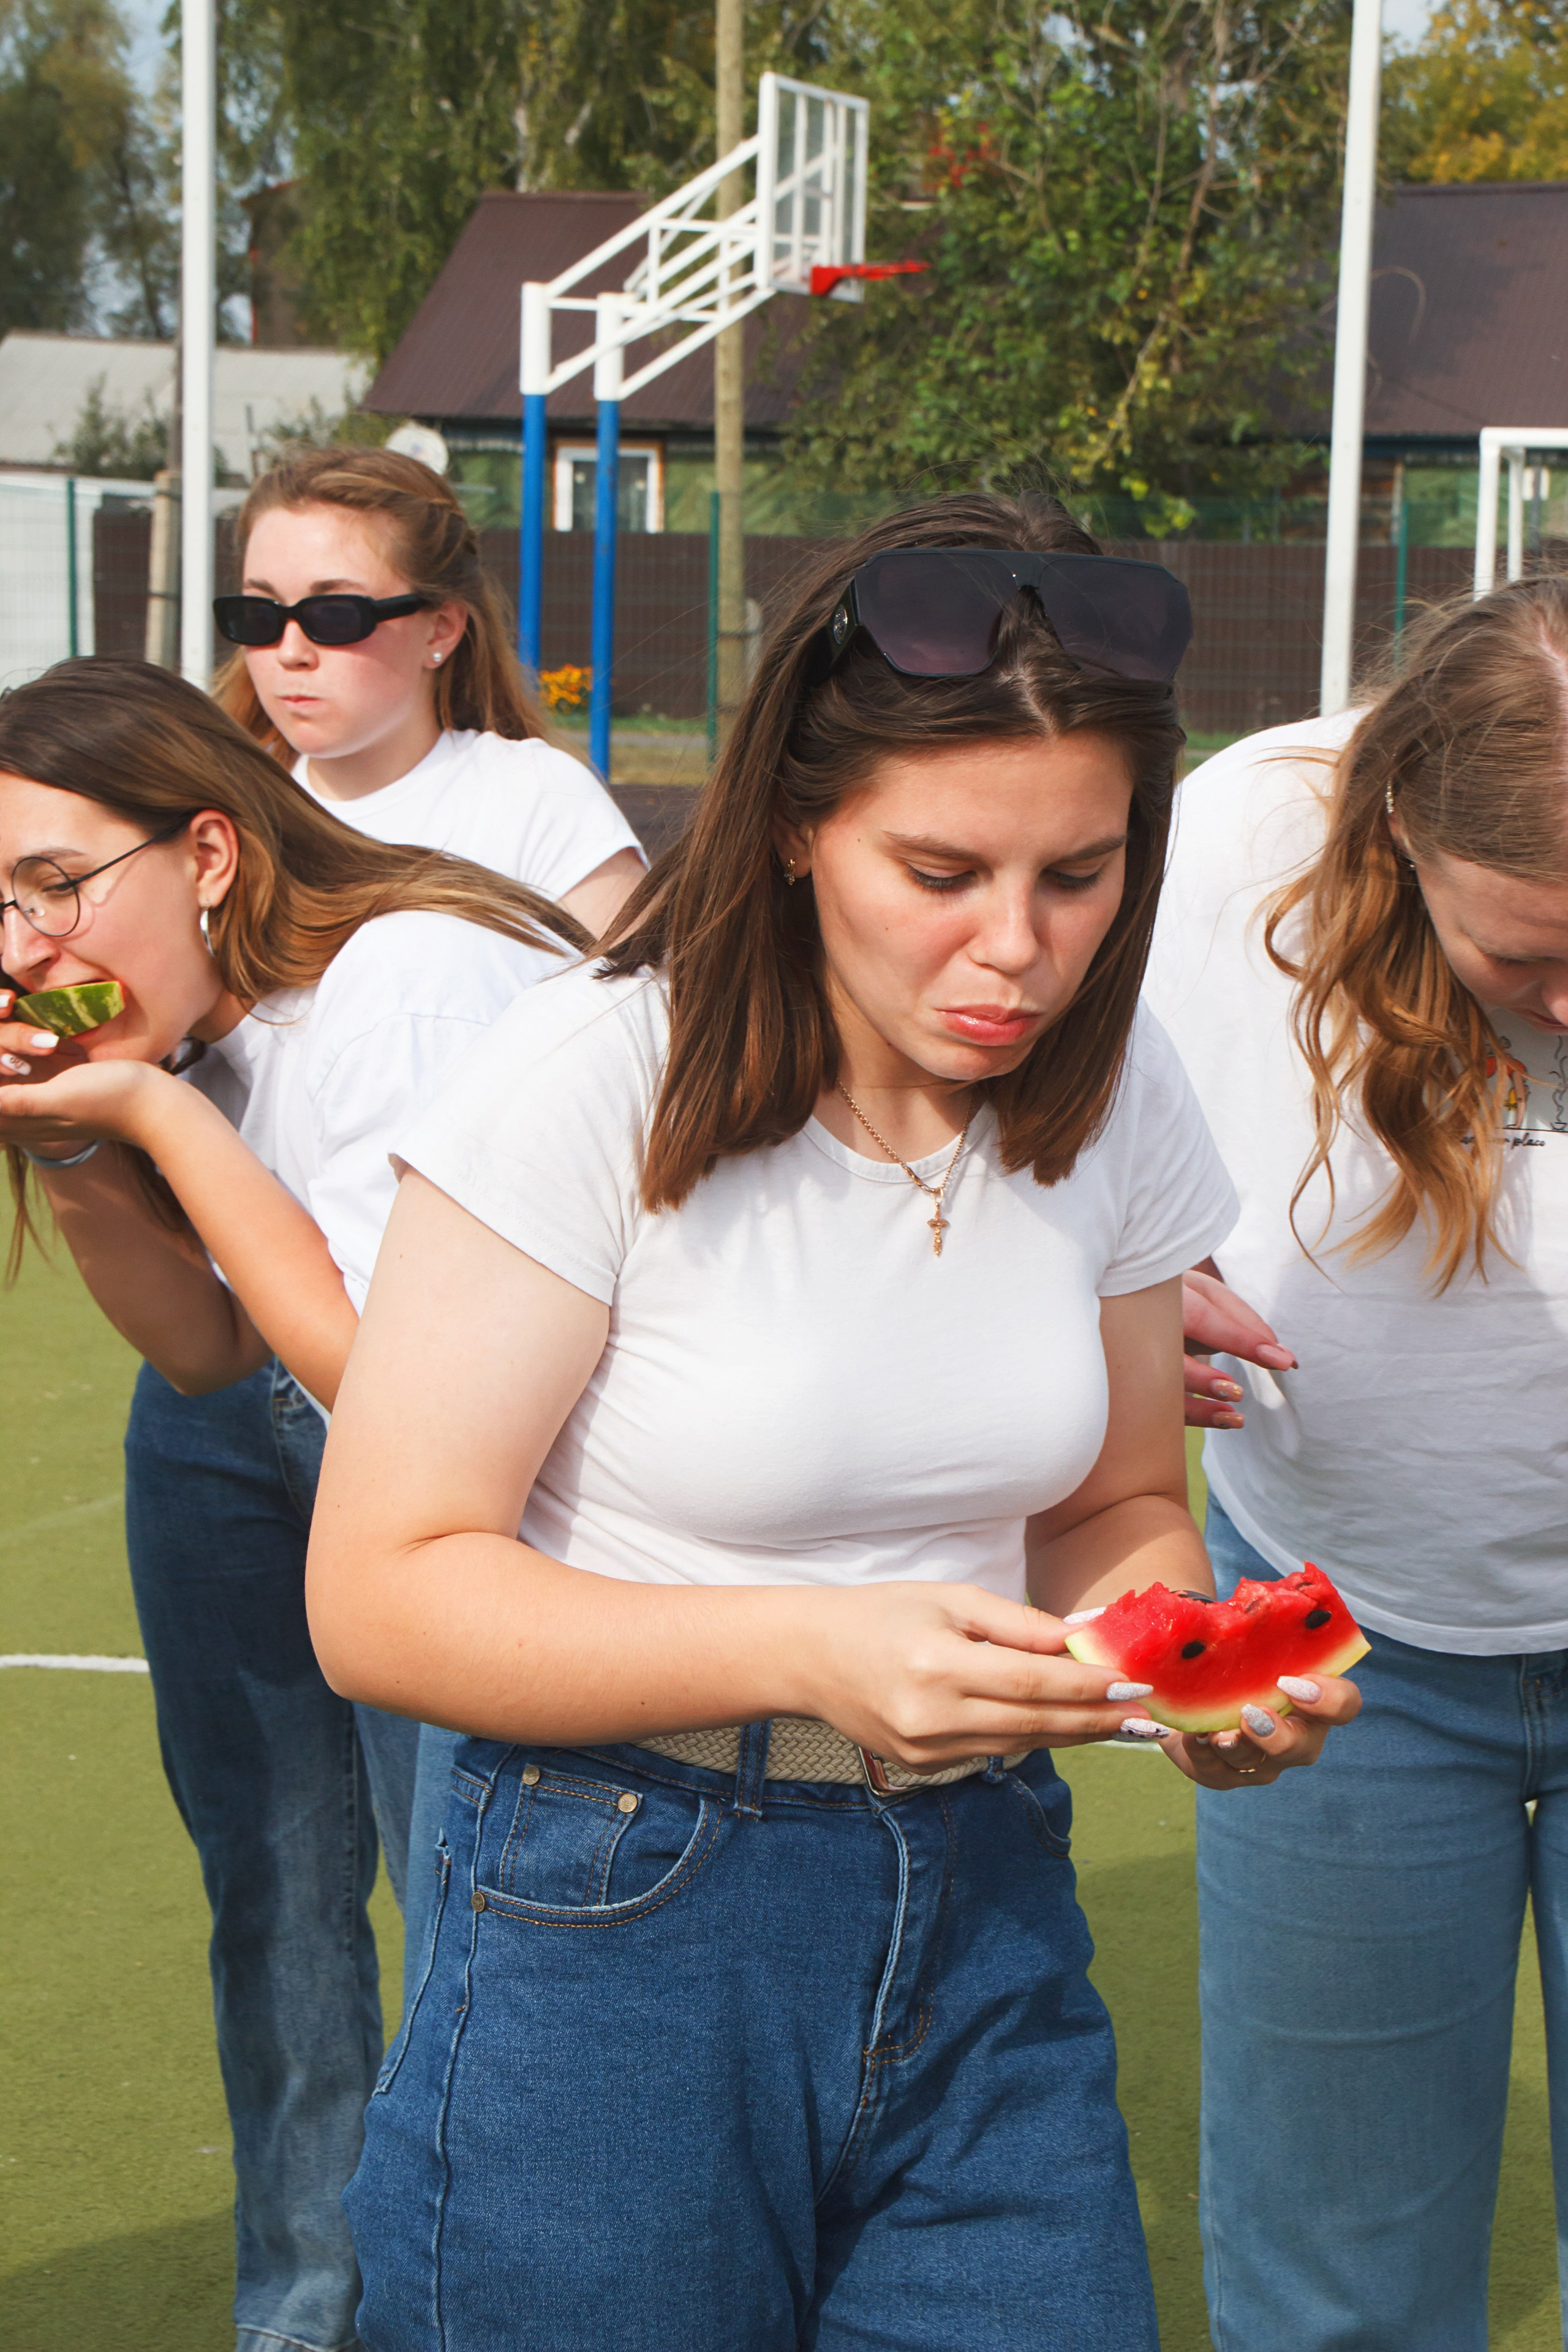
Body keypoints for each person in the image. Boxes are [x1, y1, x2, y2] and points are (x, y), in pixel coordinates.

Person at [305, 494, 1360, 2352]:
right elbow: (381, 1594)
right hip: (616, 1910)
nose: (1018, 951)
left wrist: (1192, 1678)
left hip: (984, 1895)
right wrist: (811, 1645)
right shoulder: (588, 1076)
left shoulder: (1110, 1090)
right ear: (799, 823)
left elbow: (1114, 1494)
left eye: (1081, 875)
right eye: (942, 872)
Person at [0, 655, 580, 2352]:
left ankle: (451, 2304)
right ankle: (305, 2318)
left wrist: (146, 1116)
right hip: (247, 1421)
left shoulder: (407, 979)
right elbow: (197, 1354)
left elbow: (390, 1395)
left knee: (462, 1897)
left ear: (208, 853)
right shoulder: (193, 1021)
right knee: (272, 1893)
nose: (24, 945)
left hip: (437, 1456)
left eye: (54, 884)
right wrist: (79, 1139)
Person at [1142, 576, 1568, 2351]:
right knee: (1335, 2272)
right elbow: (1077, 1116)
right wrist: (1126, 1276)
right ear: (1396, 830)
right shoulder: (1242, 829)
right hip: (1308, 1613)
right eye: (1530, 955)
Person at [209, 443, 647, 1990]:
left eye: (335, 610)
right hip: (218, 1387)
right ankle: (305, 2252)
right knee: (270, 1894)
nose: (291, 651)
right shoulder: (216, 812)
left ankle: (447, 2224)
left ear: (443, 626)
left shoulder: (527, 800)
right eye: (257, 612)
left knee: (452, 1857)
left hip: (435, 1384)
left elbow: (664, 1030)